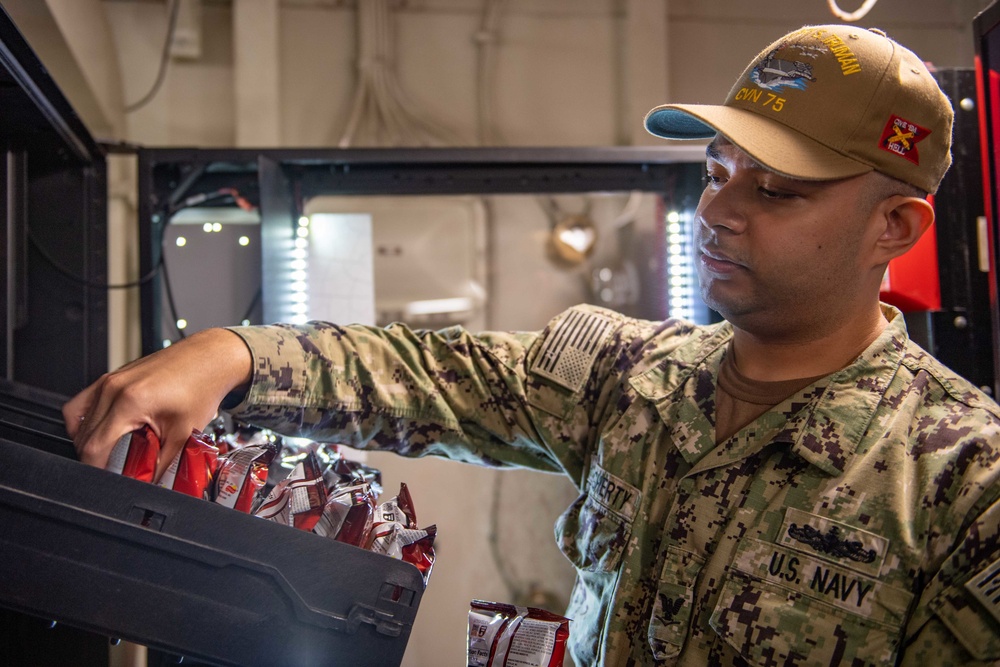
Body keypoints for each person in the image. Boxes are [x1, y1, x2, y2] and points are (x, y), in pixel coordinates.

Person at [64, 24, 1000, 666]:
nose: (719, 209)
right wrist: (230, 352)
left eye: (778, 191)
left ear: (898, 227)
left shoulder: (964, 485)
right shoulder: (633, 379)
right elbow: (430, 373)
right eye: (719, 172)